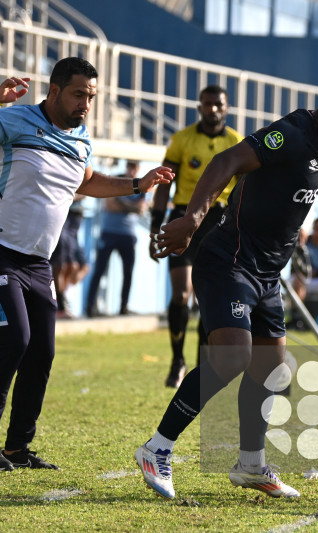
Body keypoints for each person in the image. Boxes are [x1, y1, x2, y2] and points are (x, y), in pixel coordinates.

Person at [134, 73, 318, 500]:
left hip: (267, 275)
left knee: (270, 368)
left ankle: (251, 464)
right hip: (229, 262)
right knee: (232, 357)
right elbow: (225, 163)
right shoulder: (290, 135)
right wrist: (192, 219)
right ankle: (156, 448)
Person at [0, 59, 173, 472]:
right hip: (2, 251)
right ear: (55, 91)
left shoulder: (80, 140)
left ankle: (16, 448)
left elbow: (86, 182)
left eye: (92, 97)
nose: (86, 104)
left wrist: (138, 183)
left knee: (42, 352)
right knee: (14, 340)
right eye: (79, 94)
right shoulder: (13, 120)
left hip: (40, 264)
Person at [149, 85, 244, 388]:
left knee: (209, 297)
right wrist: (156, 223)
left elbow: (245, 188)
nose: (213, 109)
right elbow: (164, 183)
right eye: (207, 104)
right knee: (181, 294)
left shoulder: (236, 142)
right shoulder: (182, 139)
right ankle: (177, 361)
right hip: (184, 216)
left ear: (226, 108)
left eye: (218, 104)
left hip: (220, 221)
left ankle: (203, 367)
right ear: (199, 106)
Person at [85, 160, 148, 317]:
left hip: (128, 235)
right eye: (129, 166)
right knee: (99, 269)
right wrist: (130, 207)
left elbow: (141, 209)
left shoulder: (142, 186)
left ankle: (123, 306)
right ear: (126, 166)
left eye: (134, 167)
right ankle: (90, 306)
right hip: (110, 233)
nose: (131, 170)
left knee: (128, 272)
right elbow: (110, 205)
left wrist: (122, 202)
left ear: (138, 168)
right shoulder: (116, 181)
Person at [50, 196, 90, 318]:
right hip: (64, 217)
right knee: (60, 266)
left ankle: (62, 298)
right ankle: (60, 305)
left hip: (76, 220)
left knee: (76, 267)